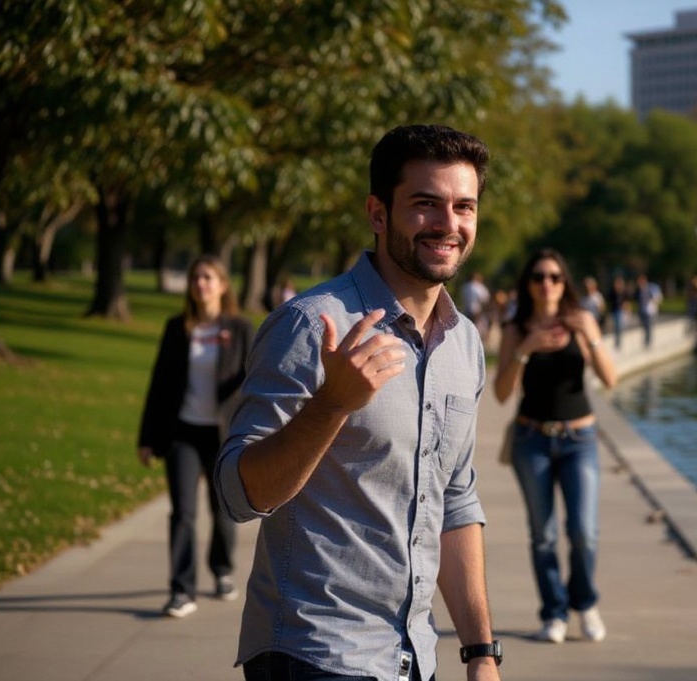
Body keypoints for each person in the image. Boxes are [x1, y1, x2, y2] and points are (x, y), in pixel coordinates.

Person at [215, 125, 501, 681]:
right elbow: (238, 494)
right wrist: (331, 405)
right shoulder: (311, 325)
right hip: (315, 652)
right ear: (377, 213)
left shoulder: (463, 341)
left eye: (464, 206)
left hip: (412, 657)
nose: (449, 224)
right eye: (426, 204)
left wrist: (481, 652)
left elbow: (455, 499)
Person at [493, 248, 617, 645]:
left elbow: (610, 380)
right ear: (528, 284)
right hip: (533, 440)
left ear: (565, 283)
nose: (547, 283)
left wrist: (592, 336)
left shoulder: (580, 322)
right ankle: (554, 611)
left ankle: (585, 601)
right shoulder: (516, 328)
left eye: (554, 277)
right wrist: (525, 349)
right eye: (539, 277)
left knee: (584, 532)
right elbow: (500, 393)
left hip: (580, 440)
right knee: (543, 535)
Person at [137, 254, 254, 618]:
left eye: (208, 277)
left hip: (223, 434)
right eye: (195, 278)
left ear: (222, 284)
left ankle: (221, 570)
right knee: (182, 512)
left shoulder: (239, 328)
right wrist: (146, 437)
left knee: (222, 511)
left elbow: (254, 381)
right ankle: (181, 589)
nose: (200, 283)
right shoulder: (177, 328)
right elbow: (158, 384)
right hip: (182, 433)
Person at [461, 270, 492, 341]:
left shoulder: (465, 286)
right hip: (477, 311)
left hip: (466, 310)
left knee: (466, 330)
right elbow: (484, 300)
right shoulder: (479, 287)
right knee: (476, 332)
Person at [634, 273, 662, 347]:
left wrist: (652, 303)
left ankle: (648, 342)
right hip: (642, 310)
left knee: (648, 326)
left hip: (649, 310)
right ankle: (646, 341)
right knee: (644, 326)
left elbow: (657, 298)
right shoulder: (639, 289)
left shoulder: (650, 288)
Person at [606, 275, 629, 348]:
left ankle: (618, 341)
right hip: (615, 310)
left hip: (621, 310)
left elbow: (627, 301)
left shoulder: (623, 292)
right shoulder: (612, 291)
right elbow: (608, 299)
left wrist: (627, 308)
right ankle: (617, 342)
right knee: (617, 326)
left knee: (620, 326)